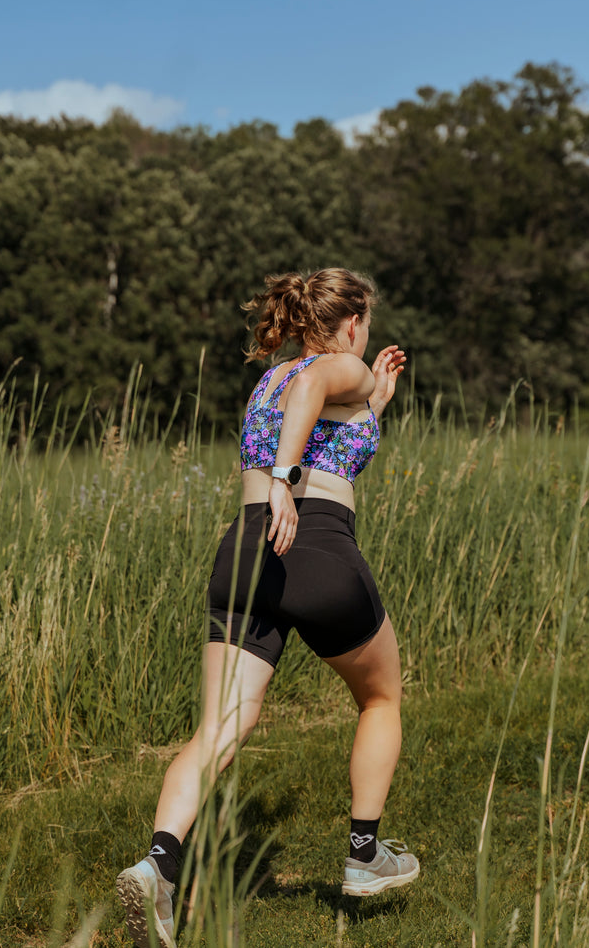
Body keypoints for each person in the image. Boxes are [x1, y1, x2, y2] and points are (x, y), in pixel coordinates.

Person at [116, 268, 417, 947]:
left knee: (219, 727)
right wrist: (288, 482)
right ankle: (365, 856)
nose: (365, 336)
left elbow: (323, 435)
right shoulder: (337, 369)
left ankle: (158, 865)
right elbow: (318, 398)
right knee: (380, 699)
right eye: (364, 321)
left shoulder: (270, 379)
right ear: (350, 323)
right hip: (313, 545)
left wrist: (377, 407)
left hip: (243, 553)